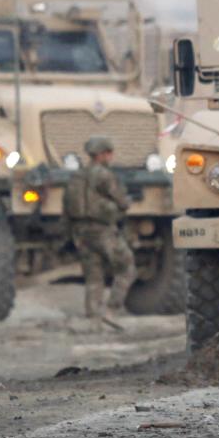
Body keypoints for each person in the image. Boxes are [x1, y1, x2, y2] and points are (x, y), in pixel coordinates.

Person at [63, 136, 137, 327]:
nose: (111, 157)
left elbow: (66, 208)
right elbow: (121, 201)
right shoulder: (104, 175)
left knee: (93, 276)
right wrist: (126, 202)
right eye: (109, 153)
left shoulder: (77, 176)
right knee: (127, 268)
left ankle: (93, 318)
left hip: (81, 232)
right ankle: (112, 309)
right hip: (103, 230)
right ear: (103, 154)